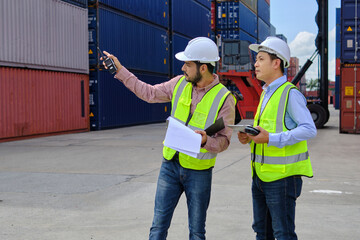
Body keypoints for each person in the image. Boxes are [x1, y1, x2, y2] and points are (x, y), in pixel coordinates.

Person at [100, 37, 236, 240]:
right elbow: (149, 93)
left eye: (188, 64)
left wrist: (206, 141)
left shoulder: (224, 99)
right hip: (170, 166)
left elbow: (224, 141)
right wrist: (120, 71)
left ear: (203, 68)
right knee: (157, 228)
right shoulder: (179, 83)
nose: (183, 68)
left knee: (197, 233)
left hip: (198, 172)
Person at [237, 36, 317, 240]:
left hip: (282, 179)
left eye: (261, 59)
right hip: (260, 176)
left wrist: (271, 139)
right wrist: (249, 137)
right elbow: (266, 130)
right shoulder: (266, 93)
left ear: (276, 63)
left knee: (283, 234)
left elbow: (309, 129)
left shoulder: (289, 94)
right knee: (262, 232)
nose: (255, 63)